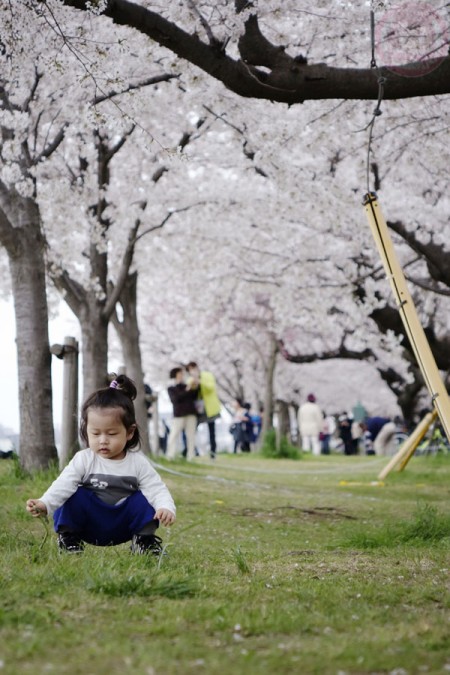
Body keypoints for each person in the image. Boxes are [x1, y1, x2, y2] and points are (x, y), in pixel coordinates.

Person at [26, 374, 176, 555]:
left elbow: (157, 489)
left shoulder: (137, 463)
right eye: (96, 434)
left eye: (111, 434)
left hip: (122, 525)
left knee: (145, 497)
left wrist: (165, 507)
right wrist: (44, 503)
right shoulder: (84, 459)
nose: (103, 441)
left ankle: (143, 541)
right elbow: (62, 485)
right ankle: (69, 540)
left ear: (129, 432)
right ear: (86, 430)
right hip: (90, 524)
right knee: (72, 493)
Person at [186, 361, 221, 459]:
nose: (192, 371)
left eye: (193, 368)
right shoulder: (189, 380)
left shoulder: (207, 375)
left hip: (210, 408)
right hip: (198, 409)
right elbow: (190, 392)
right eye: (190, 370)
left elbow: (211, 388)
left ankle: (213, 453)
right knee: (192, 430)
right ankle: (192, 451)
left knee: (212, 431)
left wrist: (200, 381)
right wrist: (193, 383)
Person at [166, 366, 198, 460]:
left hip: (191, 414)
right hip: (179, 415)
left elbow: (194, 397)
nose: (182, 375)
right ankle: (170, 455)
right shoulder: (171, 388)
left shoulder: (187, 385)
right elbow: (175, 399)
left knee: (191, 436)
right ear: (175, 375)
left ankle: (191, 456)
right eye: (180, 374)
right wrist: (187, 390)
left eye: (182, 374)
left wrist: (195, 387)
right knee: (173, 435)